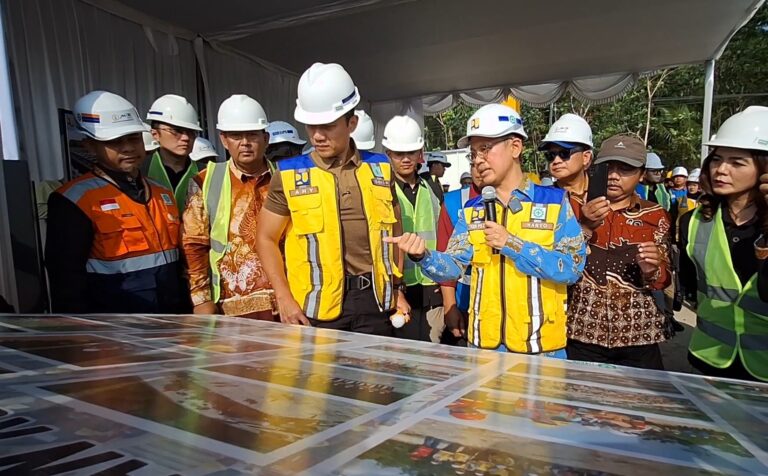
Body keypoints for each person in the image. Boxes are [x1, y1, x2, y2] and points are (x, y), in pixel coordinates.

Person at [386, 104, 587, 355]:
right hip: (483, 348)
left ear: (515, 147)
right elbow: (453, 266)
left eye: (485, 149)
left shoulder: (554, 202)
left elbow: (572, 268)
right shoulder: (472, 210)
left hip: (540, 350)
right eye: (473, 153)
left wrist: (513, 245)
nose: (479, 160)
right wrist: (423, 256)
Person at [255, 62, 408, 335]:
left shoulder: (381, 169)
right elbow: (266, 238)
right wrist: (283, 297)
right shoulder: (289, 175)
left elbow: (395, 231)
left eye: (327, 126)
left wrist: (398, 288)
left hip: (376, 304)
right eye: (310, 126)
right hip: (316, 310)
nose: (316, 135)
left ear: (352, 123)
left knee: (377, 378)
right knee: (319, 380)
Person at [46, 91, 187, 313]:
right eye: (115, 142)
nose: (128, 148)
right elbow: (66, 281)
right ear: (90, 146)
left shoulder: (162, 194)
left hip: (173, 321)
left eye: (133, 138)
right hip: (117, 329)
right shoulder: (74, 201)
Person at [567, 135, 672, 370]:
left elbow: (665, 280)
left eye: (625, 169)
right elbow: (558, 261)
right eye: (608, 168)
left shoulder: (656, 215)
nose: (614, 176)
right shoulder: (570, 206)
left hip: (639, 333)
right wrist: (583, 226)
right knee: (582, 401)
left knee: (642, 402)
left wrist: (653, 270)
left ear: (642, 174)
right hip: (582, 330)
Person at [679, 106, 768, 382]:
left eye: (737, 162)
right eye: (717, 159)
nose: (721, 170)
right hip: (709, 360)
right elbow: (690, 285)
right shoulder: (693, 221)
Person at [183, 94, 276, 320]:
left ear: (266, 138)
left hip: (283, 304)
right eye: (236, 136)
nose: (245, 142)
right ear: (224, 140)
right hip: (229, 307)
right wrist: (202, 301)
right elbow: (194, 245)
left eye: (252, 134)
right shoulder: (204, 182)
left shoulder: (285, 178)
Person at [383, 115, 444, 342]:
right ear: (388, 153)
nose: (406, 159)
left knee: (434, 357)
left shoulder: (433, 189)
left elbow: (443, 236)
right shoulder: (382, 191)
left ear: (420, 152)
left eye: (411, 152)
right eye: (399, 154)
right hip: (400, 290)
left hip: (431, 288)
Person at [438, 162, 481, 344]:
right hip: (465, 304)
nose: (480, 166)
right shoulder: (454, 202)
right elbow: (445, 257)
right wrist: (450, 305)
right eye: (473, 160)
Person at [145, 94, 203, 212]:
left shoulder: (205, 173)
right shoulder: (140, 171)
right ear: (155, 134)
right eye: (176, 131)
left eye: (191, 132)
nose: (186, 137)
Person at [540, 113, 594, 220]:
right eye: (550, 155)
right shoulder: (541, 198)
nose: (556, 161)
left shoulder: (605, 194)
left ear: (586, 157)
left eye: (564, 153)